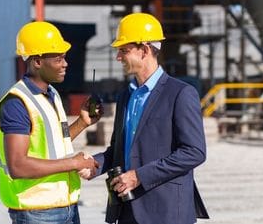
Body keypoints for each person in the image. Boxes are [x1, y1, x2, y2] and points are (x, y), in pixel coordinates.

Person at [80, 13, 208, 224]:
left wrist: (139, 176)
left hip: (166, 212)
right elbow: (118, 150)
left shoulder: (180, 94)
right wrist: (94, 164)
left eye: (124, 50)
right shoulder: (126, 96)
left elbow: (194, 152)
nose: (118, 57)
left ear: (145, 50)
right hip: (128, 209)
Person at [0, 21, 102, 224]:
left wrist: (82, 122)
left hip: (66, 207)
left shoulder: (51, 94)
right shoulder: (16, 103)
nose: (65, 64)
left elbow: (53, 142)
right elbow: (18, 165)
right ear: (37, 61)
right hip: (38, 213)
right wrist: (75, 162)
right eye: (58, 58)